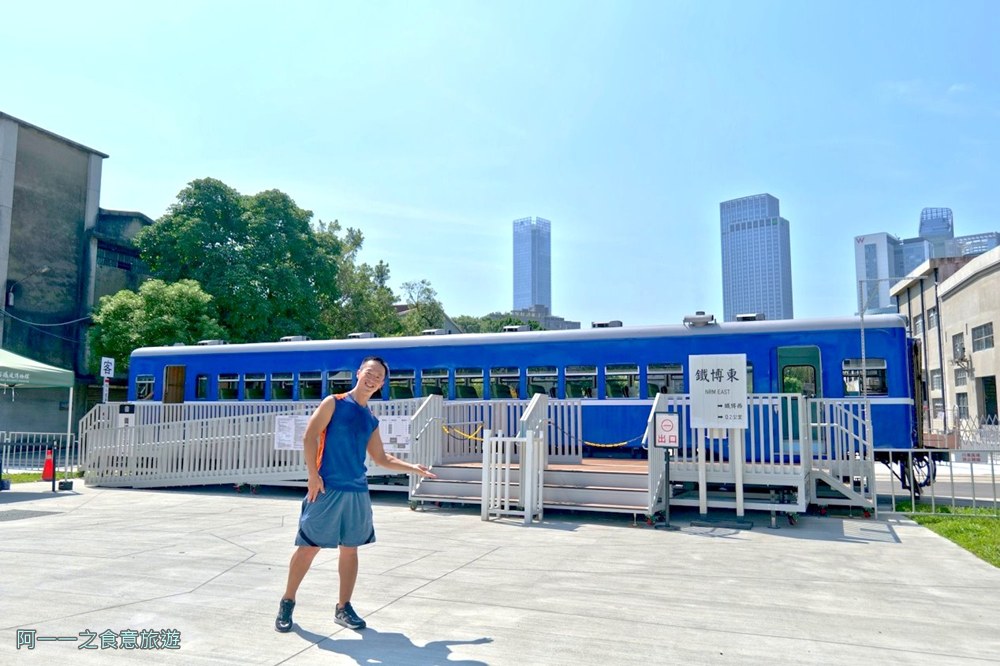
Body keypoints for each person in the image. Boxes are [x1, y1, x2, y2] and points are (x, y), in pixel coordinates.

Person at [275, 356, 435, 633]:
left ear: (382, 384)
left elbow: (381, 458)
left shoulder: (370, 419)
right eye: (369, 373)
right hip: (327, 488)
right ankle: (287, 602)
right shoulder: (334, 402)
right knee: (309, 547)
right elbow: (310, 436)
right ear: (359, 372)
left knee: (350, 550)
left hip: (357, 491)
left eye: (378, 377)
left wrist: (412, 467)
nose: (372, 379)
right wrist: (313, 475)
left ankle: (343, 607)